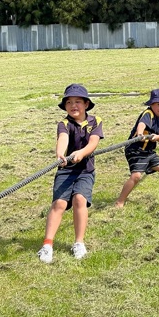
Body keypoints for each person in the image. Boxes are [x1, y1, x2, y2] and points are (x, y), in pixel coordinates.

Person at [37, 84, 104, 264]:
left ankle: (79, 242)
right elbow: (63, 139)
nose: (73, 105)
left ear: (86, 104)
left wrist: (81, 153)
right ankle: (47, 244)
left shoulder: (95, 121)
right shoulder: (64, 124)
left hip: (85, 170)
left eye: (78, 102)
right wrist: (60, 154)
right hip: (66, 170)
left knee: (79, 200)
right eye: (69, 102)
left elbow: (93, 143)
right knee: (59, 203)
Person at [115, 89, 159, 208]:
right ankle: (120, 201)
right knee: (136, 176)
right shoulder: (148, 113)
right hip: (135, 149)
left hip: (149, 152)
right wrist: (140, 134)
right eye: (158, 105)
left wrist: (156, 137)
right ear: (151, 104)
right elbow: (142, 124)